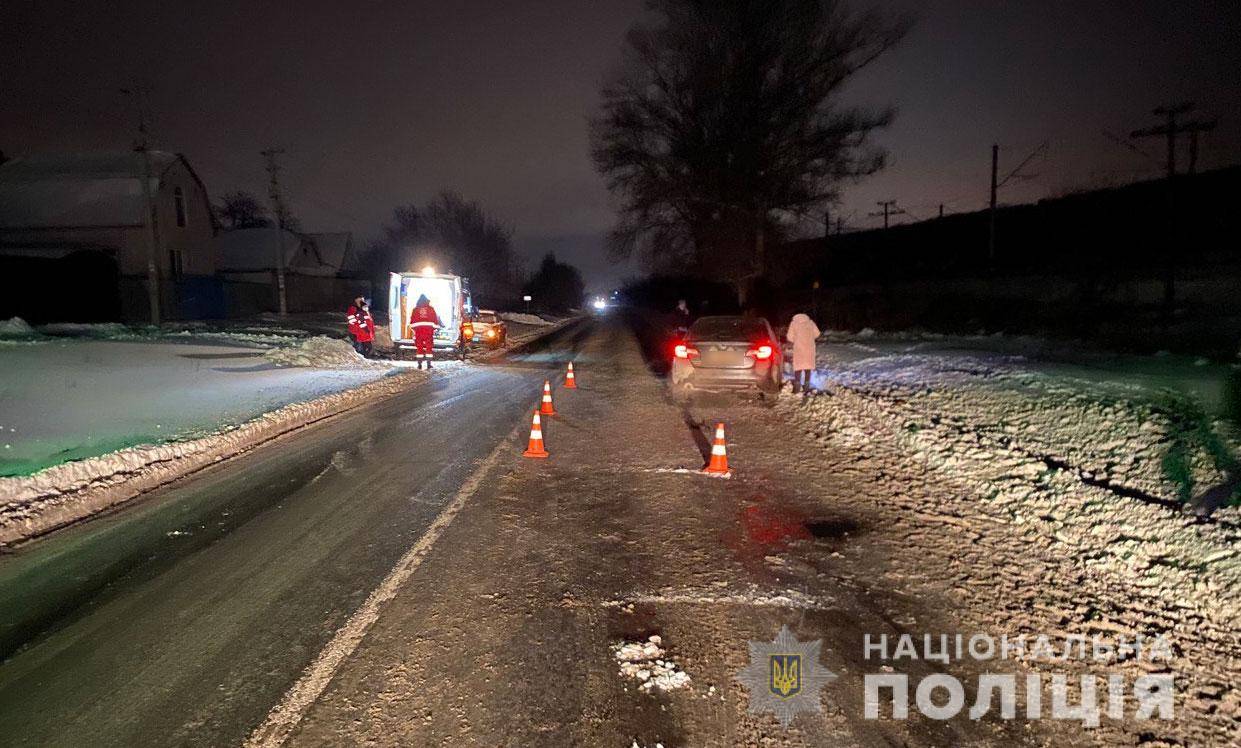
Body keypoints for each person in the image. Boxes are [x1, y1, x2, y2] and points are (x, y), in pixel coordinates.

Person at [786, 312, 821, 395]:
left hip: (799, 349)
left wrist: (797, 339)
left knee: (798, 368)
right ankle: (806, 388)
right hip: (809, 349)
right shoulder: (811, 323)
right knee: (807, 368)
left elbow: (790, 337)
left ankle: (797, 388)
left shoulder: (794, 323)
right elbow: (817, 334)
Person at [408, 294, 441, 369]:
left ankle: (419, 364)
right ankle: (429, 364)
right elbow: (435, 321)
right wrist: (435, 328)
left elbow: (412, 322)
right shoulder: (431, 309)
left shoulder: (415, 309)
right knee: (429, 347)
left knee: (419, 347)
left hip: (419, 332)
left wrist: (414, 330)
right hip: (428, 331)